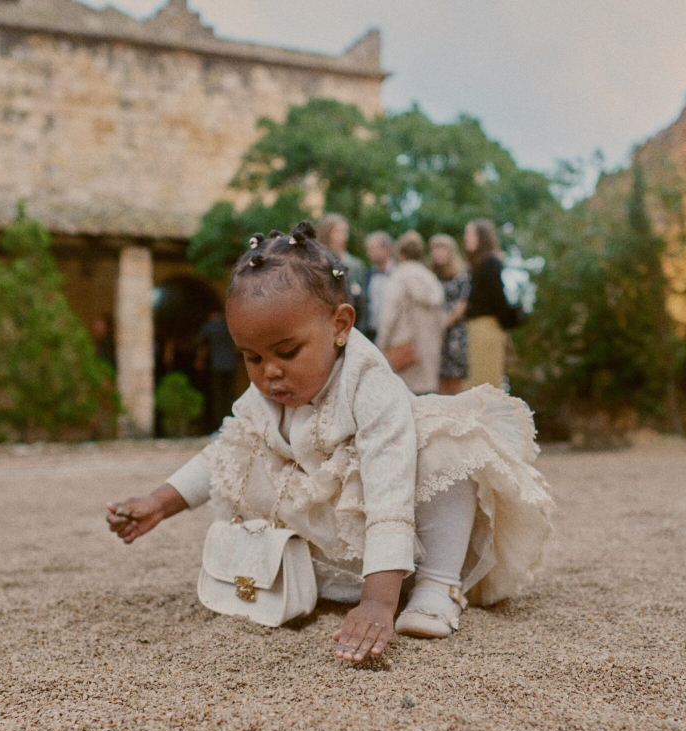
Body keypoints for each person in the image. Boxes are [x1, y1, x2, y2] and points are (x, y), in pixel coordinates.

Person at [105, 222, 554, 662]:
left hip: (394, 512)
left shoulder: (370, 385)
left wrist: (380, 602)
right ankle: (341, 585)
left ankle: (437, 585)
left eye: (287, 351)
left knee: (449, 444)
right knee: (252, 456)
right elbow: (226, 451)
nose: (269, 372)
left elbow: (390, 490)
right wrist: (161, 502)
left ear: (340, 325)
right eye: (252, 357)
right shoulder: (267, 393)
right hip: (340, 534)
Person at [375, 231, 445, 394]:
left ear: (400, 255)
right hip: (429, 353)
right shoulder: (431, 279)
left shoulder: (398, 278)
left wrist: (380, 346)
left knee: (403, 400)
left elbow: (388, 317)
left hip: (403, 350)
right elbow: (441, 318)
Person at [463, 218, 511, 390]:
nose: (466, 238)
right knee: (479, 380)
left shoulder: (490, 263)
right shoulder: (479, 265)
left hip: (487, 326)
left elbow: (498, 298)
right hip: (478, 327)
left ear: (481, 237)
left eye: (470, 234)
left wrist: (507, 323)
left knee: (487, 382)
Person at [430, 233, 472, 396]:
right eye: (435, 249)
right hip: (436, 335)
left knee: (456, 382)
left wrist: (444, 324)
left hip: (455, 334)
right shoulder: (431, 276)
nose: (438, 253)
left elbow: (462, 305)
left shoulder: (462, 275)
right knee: (439, 382)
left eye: (442, 249)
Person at [316, 214, 368, 334]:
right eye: (338, 231)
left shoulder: (356, 265)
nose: (343, 235)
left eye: (345, 231)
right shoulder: (317, 261)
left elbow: (363, 301)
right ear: (327, 233)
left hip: (351, 326)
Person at [195, 309, 236, 433]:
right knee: (229, 395)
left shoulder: (210, 326)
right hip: (230, 364)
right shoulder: (229, 327)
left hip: (217, 366)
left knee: (217, 397)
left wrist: (200, 359)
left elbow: (199, 341)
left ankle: (220, 424)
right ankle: (230, 422)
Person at [362, 231, 394, 339]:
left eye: (373, 248)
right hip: (371, 332)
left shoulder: (399, 273)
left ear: (387, 249)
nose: (369, 253)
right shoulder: (368, 274)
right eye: (369, 249)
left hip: (393, 334)